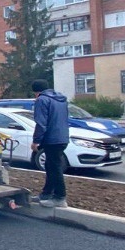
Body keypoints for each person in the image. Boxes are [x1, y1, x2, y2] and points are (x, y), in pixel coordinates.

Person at [30, 79, 70, 208]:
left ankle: (60, 197)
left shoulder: (42, 100)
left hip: (51, 138)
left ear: (36, 92)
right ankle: (46, 194)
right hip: (62, 137)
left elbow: (41, 123)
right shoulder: (61, 100)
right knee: (50, 166)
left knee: (54, 167)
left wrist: (36, 141)